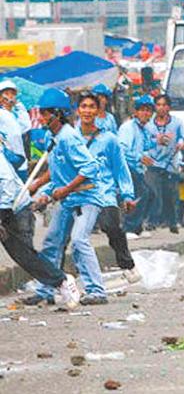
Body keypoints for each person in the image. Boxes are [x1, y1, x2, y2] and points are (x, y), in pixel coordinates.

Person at [25, 88, 110, 306]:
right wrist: (39, 186)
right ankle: (45, 290)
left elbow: (89, 168)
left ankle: (96, 290)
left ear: (58, 114)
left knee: (80, 240)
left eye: (46, 113)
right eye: (41, 113)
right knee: (52, 242)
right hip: (67, 199)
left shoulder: (70, 138)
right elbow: (57, 169)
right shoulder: (50, 136)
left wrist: (65, 189)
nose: (42, 118)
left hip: (86, 197)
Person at [0, 132, 80, 308]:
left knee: (25, 255)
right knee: (24, 255)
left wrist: (4, 210)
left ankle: (61, 281)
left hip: (14, 209)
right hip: (8, 208)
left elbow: (5, 181)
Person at [73, 92, 138, 283]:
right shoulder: (70, 138)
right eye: (83, 106)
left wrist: (127, 194)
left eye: (91, 106)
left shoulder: (108, 139)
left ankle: (127, 264)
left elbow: (120, 168)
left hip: (105, 192)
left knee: (111, 226)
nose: (87, 110)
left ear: (97, 110)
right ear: (78, 110)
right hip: (79, 195)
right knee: (69, 238)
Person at [142, 93, 184, 234]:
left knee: (171, 195)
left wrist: (182, 145)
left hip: (171, 163)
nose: (161, 108)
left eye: (164, 105)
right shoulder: (148, 124)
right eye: (158, 105)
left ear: (169, 107)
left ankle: (173, 222)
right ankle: (152, 221)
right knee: (153, 192)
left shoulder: (177, 123)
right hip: (152, 163)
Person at [117, 96, 154, 237]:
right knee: (140, 194)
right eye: (143, 110)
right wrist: (140, 158)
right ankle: (129, 227)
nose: (146, 114)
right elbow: (122, 149)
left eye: (149, 111)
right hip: (126, 166)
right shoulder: (128, 128)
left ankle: (137, 227)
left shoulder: (143, 129)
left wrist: (158, 142)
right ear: (136, 112)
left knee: (150, 195)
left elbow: (145, 145)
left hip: (136, 168)